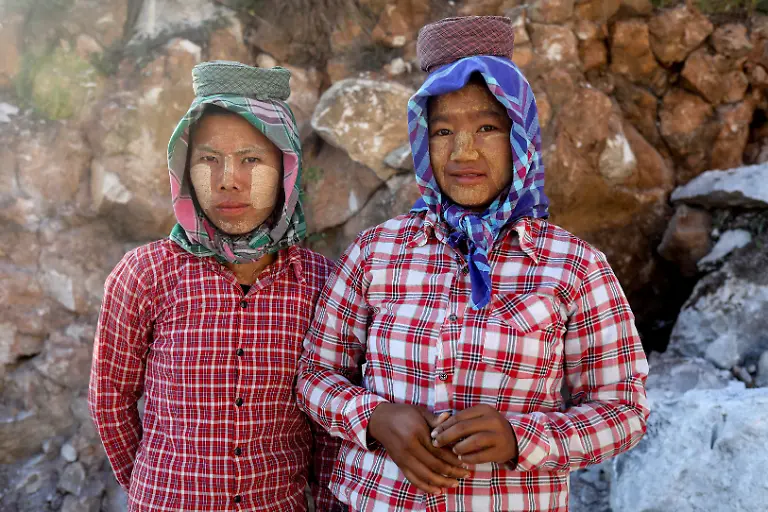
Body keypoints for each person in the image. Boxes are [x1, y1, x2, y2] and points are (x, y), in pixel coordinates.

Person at [295, 16, 649, 511]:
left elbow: (625, 411)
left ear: (520, 137)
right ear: (422, 141)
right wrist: (374, 418)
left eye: (487, 127)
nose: (463, 151)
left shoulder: (574, 265)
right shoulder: (375, 252)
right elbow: (315, 373)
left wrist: (521, 438)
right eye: (442, 131)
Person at [89, 61, 342, 511]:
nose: (228, 179)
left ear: (286, 169)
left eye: (251, 159)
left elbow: (327, 429)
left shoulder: (321, 284)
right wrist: (154, 490)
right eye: (208, 159)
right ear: (185, 168)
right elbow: (110, 401)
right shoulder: (146, 274)